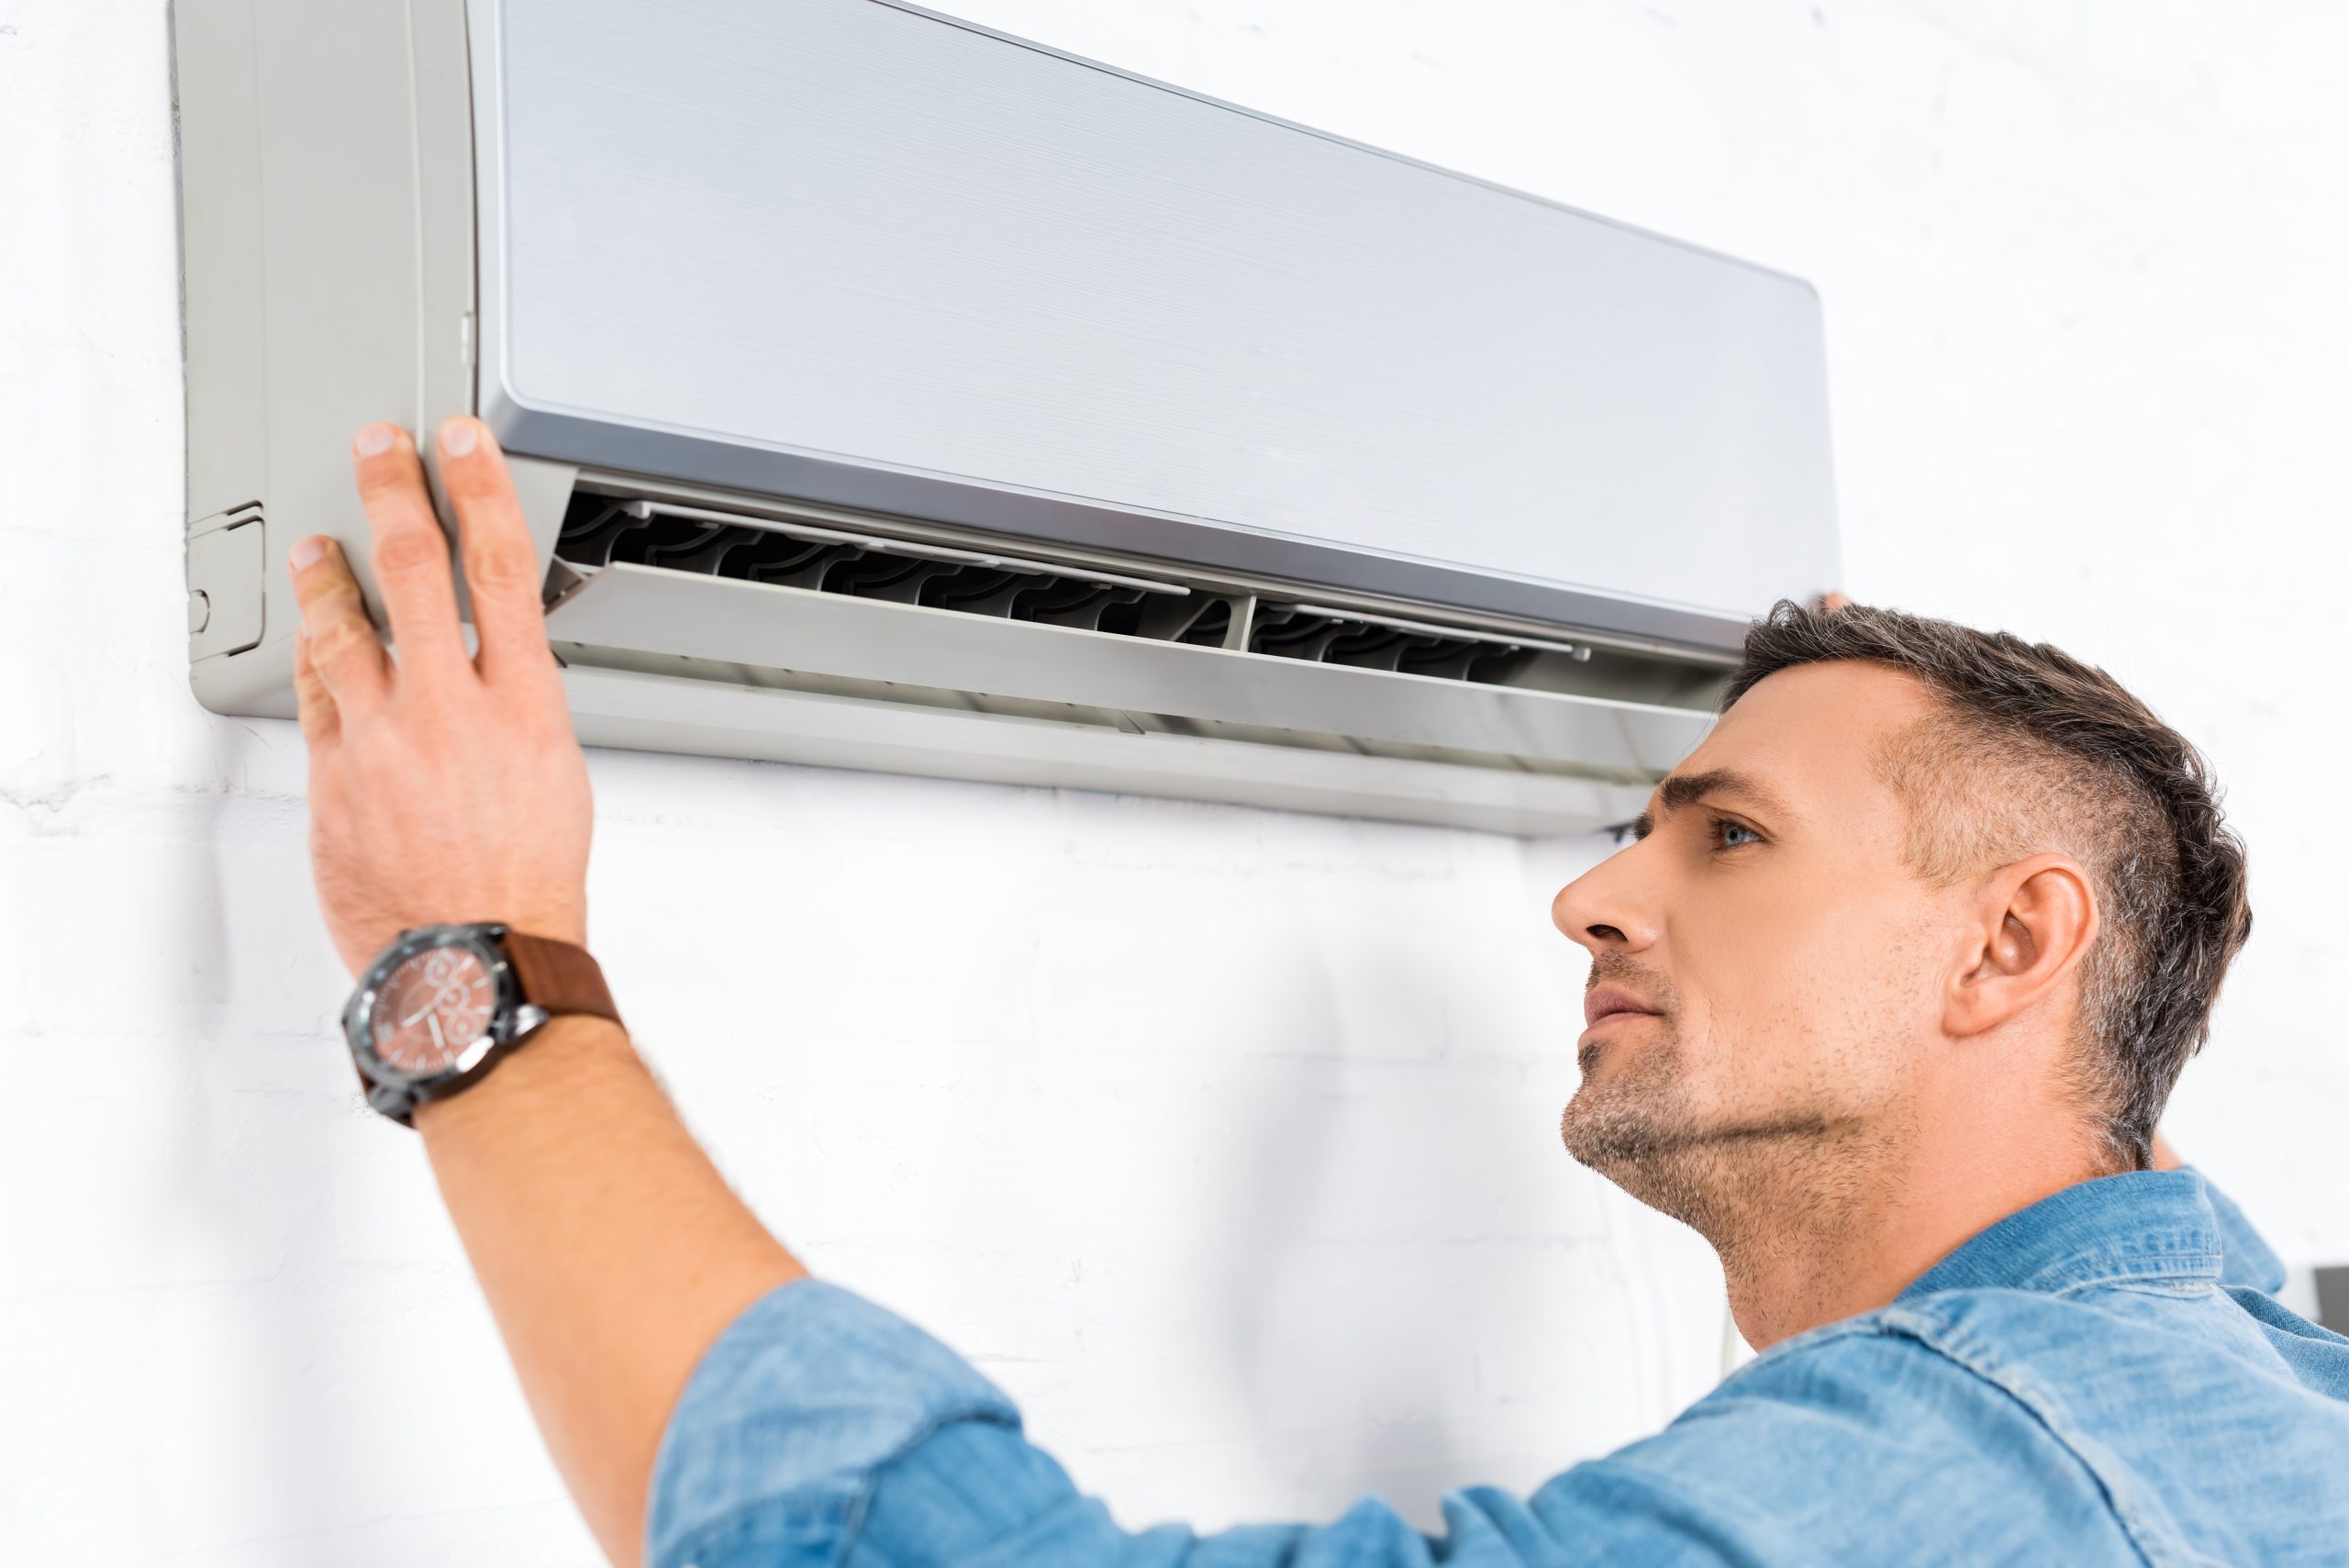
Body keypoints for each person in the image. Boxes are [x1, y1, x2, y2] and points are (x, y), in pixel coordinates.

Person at [288, 417, 2349, 1568]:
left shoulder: (1985, 1462)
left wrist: (479, 961)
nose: (1591, 899)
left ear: (2008, 944)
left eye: (1723, 836)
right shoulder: (2241, 1393)